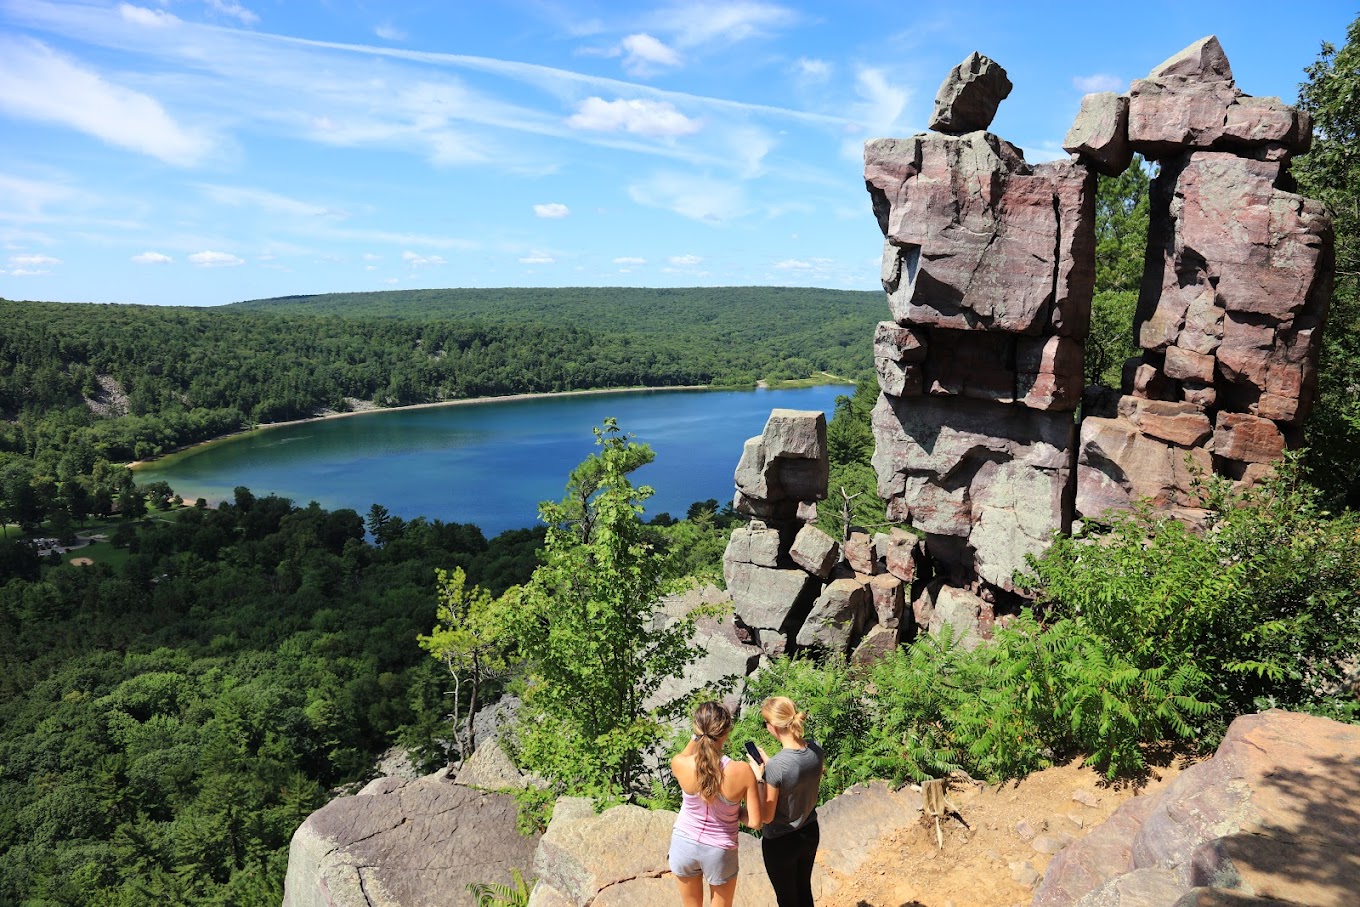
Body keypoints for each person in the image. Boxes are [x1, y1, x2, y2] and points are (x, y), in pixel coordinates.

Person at [669, 701, 764, 907]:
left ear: (695, 729)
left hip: (683, 844)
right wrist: (758, 780)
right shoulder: (741, 772)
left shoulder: (680, 763)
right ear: (727, 732)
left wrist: (697, 736)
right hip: (719, 850)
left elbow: (687, 754)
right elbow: (756, 822)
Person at [747, 696, 825, 907]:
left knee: (787, 899)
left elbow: (766, 816)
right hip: (809, 831)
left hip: (781, 842)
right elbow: (796, 778)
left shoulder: (777, 767)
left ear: (773, 726)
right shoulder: (816, 749)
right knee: (803, 890)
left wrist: (760, 777)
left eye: (766, 724)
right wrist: (771, 767)